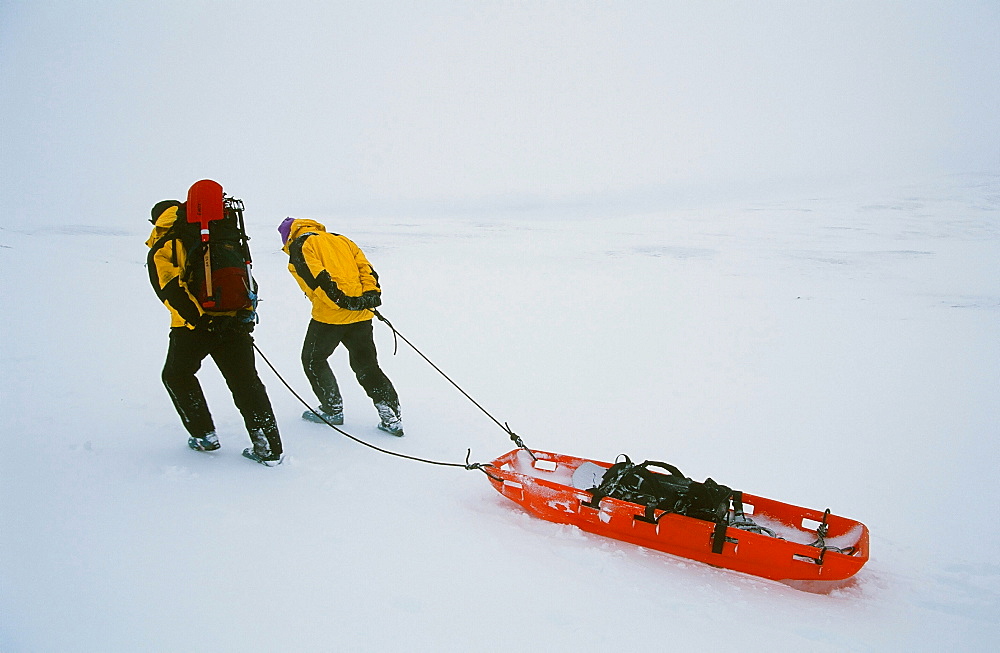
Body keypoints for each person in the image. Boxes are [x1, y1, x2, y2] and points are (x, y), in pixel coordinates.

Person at [146, 198, 284, 466]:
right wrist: (244, 314)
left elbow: (171, 289)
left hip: (192, 328)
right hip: (234, 320)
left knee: (176, 375)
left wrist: (201, 321)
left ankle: (204, 435)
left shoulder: (167, 243)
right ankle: (269, 447)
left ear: (157, 221)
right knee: (246, 382)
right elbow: (244, 274)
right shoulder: (222, 234)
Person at [278, 217, 403, 436]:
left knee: (312, 359)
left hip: (330, 317)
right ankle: (390, 415)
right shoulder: (342, 240)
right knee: (367, 365)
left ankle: (332, 409)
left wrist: (343, 302)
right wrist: (369, 297)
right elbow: (366, 270)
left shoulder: (301, 245)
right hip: (361, 314)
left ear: (289, 235)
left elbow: (317, 279)